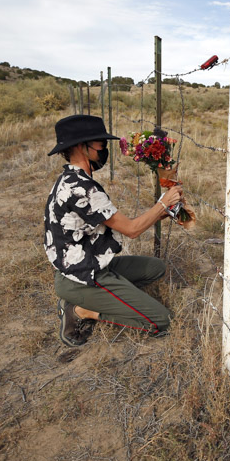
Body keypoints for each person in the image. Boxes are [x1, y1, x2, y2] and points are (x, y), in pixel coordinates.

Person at [44, 114, 183, 347]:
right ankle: (82, 310)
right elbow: (131, 230)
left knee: (155, 268)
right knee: (163, 320)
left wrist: (166, 207)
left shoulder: (70, 179)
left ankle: (110, 297)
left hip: (88, 265)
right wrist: (162, 204)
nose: (104, 148)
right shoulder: (81, 188)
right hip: (83, 276)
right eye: (100, 143)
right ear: (81, 146)